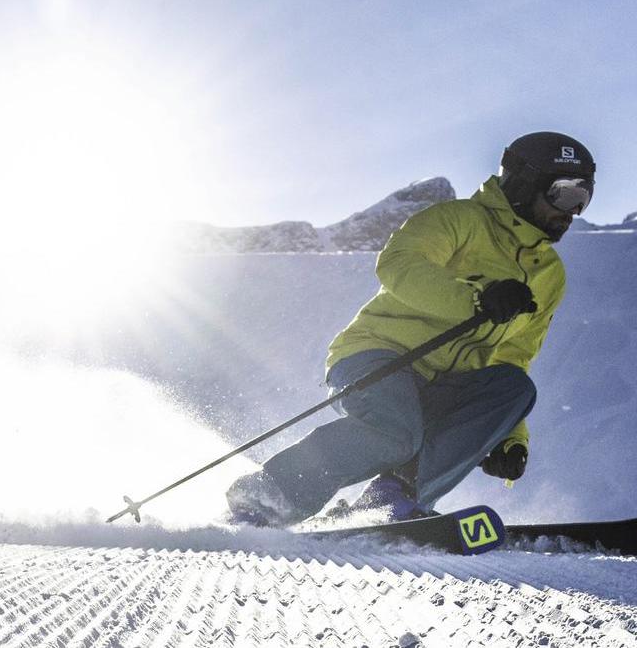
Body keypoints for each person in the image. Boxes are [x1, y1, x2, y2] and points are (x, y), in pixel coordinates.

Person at [226, 131, 595, 525]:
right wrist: (477, 298)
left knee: (514, 387)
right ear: (524, 182)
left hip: (444, 384)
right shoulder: (460, 220)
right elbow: (398, 263)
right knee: (396, 433)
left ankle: (393, 497)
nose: (571, 211)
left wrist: (510, 436)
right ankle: (272, 492)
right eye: (564, 194)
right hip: (377, 357)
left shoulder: (548, 275)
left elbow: (513, 356)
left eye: (583, 199)